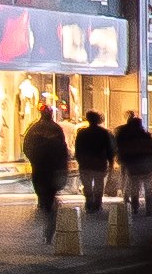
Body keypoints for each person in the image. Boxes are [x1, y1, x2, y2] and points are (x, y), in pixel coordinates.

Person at [22, 104, 71, 245]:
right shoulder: (56, 129)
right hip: (52, 168)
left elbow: (26, 147)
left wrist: (33, 159)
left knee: (42, 191)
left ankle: (45, 206)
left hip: (40, 167)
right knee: (49, 193)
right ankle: (48, 213)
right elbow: (63, 150)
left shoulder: (34, 128)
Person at [74, 110, 116, 227]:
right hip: (99, 163)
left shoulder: (82, 133)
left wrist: (80, 160)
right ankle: (97, 203)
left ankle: (89, 201)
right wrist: (111, 161)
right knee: (99, 183)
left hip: (86, 164)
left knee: (87, 184)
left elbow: (78, 149)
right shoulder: (103, 133)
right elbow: (109, 149)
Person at [115, 112, 152, 222]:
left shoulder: (127, 137)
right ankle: (149, 209)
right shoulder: (146, 136)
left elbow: (123, 150)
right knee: (149, 188)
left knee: (135, 187)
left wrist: (123, 160)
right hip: (147, 166)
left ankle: (135, 208)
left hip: (134, 167)